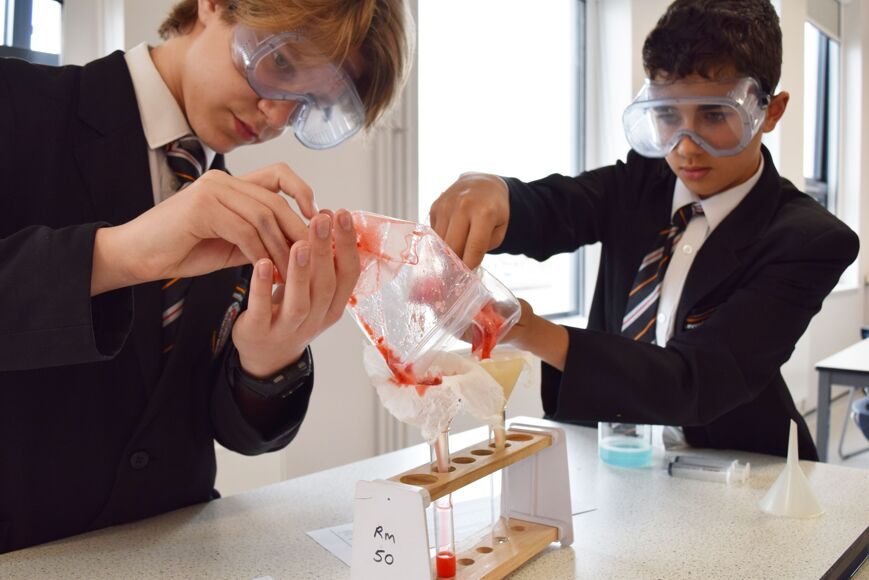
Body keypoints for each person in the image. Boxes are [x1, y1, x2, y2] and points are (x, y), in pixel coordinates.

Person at [0, 0, 411, 553]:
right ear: (212, 5)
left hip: (181, 553)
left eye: (308, 105)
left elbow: (222, 430)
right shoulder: (17, 104)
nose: (275, 116)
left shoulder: (235, 212)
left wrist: (268, 358)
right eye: (281, 63)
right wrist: (122, 254)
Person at [429, 0, 858, 461]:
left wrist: (527, 329)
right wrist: (497, 196)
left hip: (745, 470)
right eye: (667, 115)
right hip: (617, 460)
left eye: (714, 115)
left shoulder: (808, 240)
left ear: (770, 112)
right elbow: (556, 208)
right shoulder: (641, 182)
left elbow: (696, 380)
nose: (686, 146)